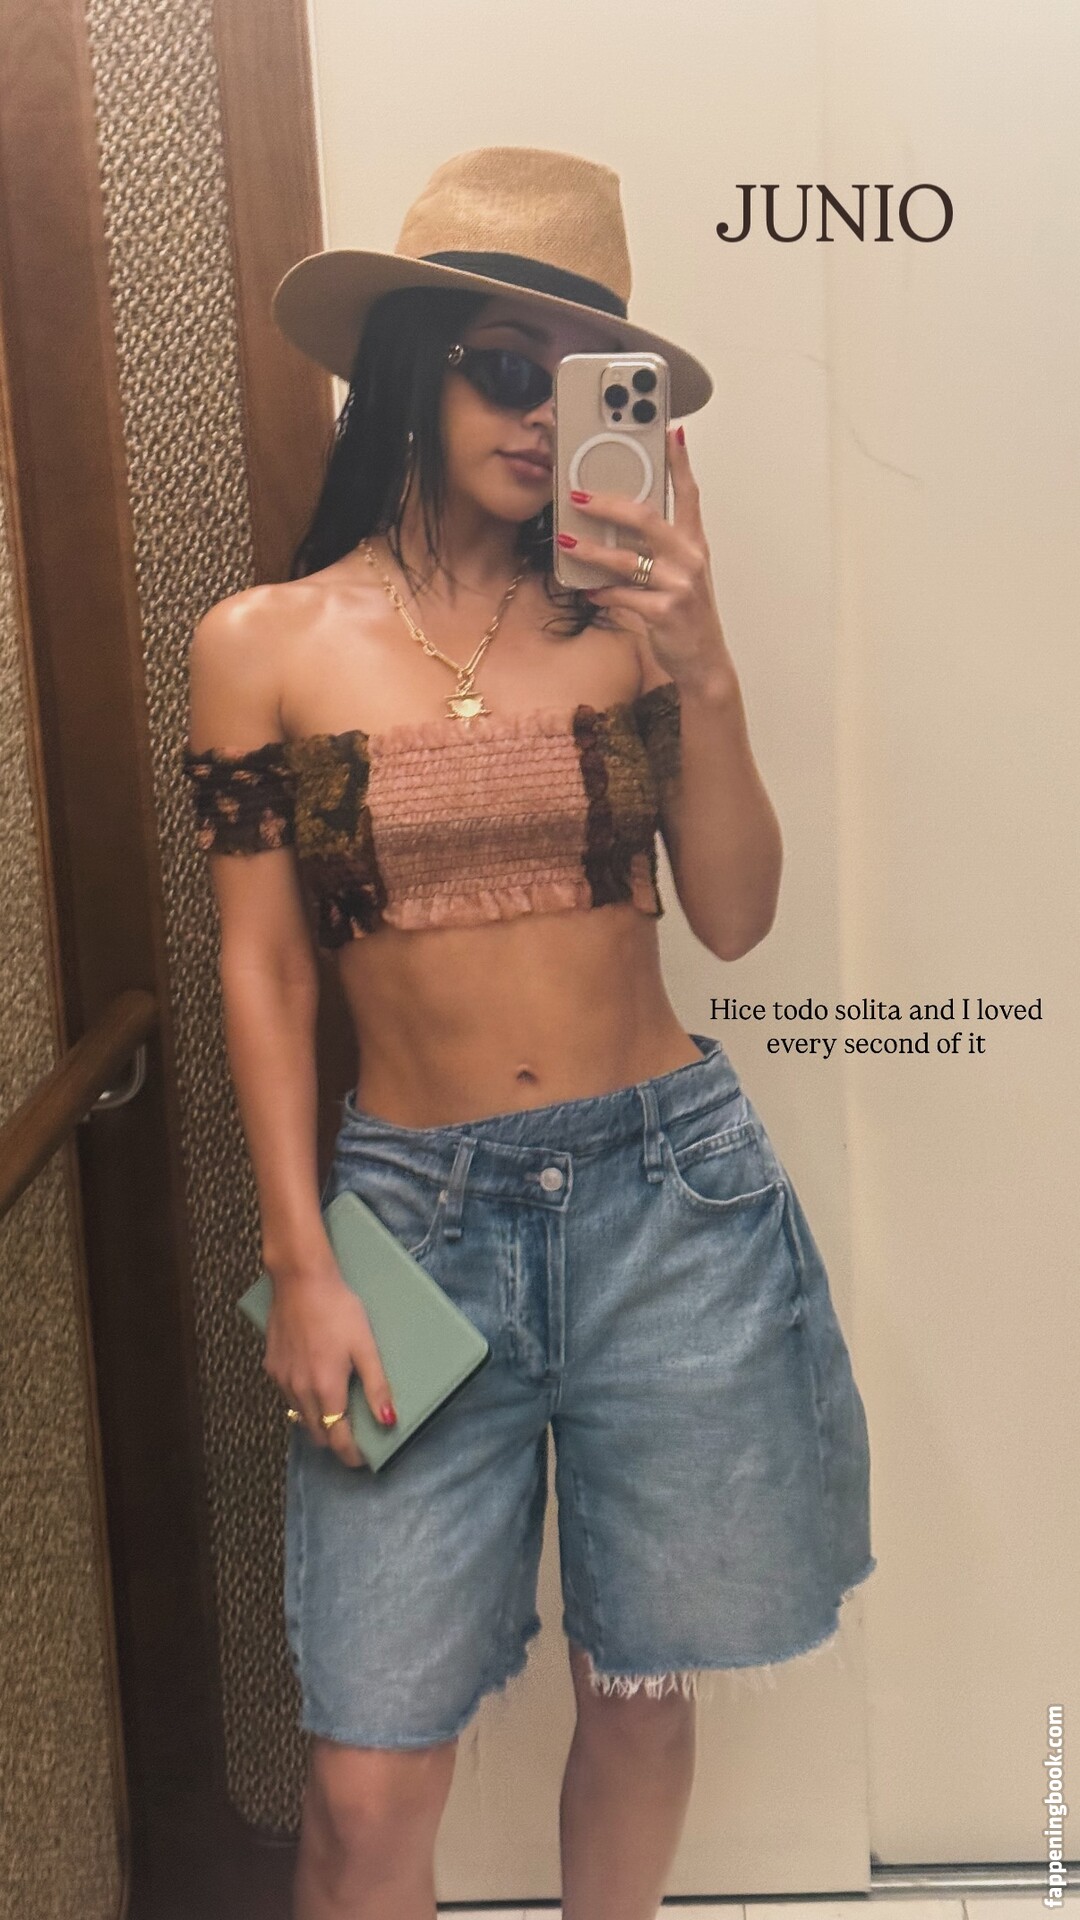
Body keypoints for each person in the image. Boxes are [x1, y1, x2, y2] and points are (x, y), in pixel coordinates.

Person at [182, 147, 875, 1920]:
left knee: (637, 1693)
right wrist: (299, 1257)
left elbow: (736, 915)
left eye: (584, 384)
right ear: (408, 367)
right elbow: (265, 971)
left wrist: (704, 660)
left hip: (671, 1204)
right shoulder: (264, 644)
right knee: (365, 1778)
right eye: (505, 366)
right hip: (409, 1223)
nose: (539, 417)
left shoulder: (627, 634)